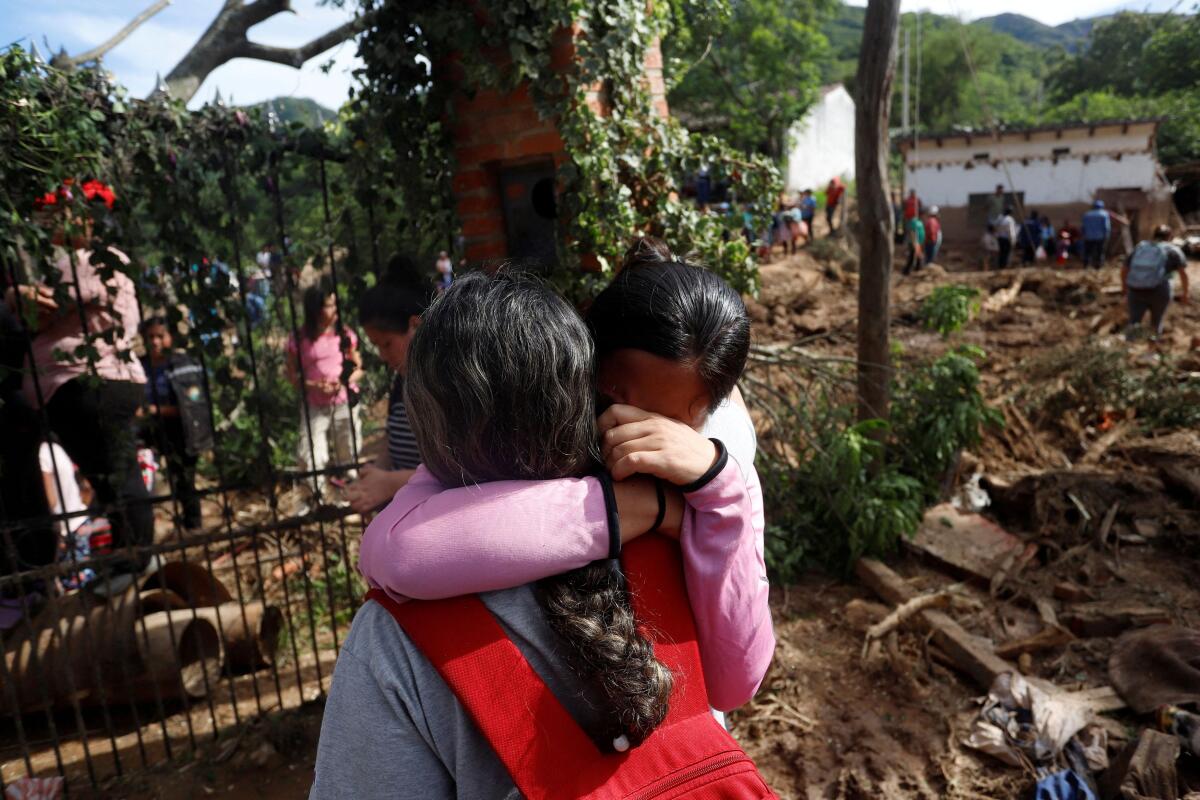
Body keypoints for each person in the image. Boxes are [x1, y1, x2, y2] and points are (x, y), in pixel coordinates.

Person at [314, 271, 772, 798]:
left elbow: (394, 552)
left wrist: (713, 487)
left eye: (665, 420)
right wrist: (653, 506)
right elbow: (737, 684)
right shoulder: (685, 523)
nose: (638, 429)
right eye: (615, 396)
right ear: (581, 375)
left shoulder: (394, 640)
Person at [1, 179, 152, 582]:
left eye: (54, 215)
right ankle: (128, 554)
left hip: (91, 381)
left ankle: (134, 555)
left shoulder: (87, 259)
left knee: (117, 475)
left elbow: (47, 310)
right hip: (97, 380)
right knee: (110, 476)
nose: (47, 224)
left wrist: (17, 297)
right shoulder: (93, 262)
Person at [342, 257, 431, 513]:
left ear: (415, 326)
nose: (382, 355)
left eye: (387, 344)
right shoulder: (402, 380)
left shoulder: (446, 387)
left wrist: (391, 483)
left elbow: (458, 472)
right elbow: (392, 436)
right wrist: (377, 472)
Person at [286, 279, 363, 499]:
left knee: (348, 453)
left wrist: (343, 381)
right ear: (316, 309)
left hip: (343, 403)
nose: (335, 309)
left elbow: (358, 368)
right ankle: (317, 499)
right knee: (311, 454)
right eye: (330, 305)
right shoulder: (298, 339)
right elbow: (293, 376)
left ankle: (346, 501)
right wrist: (314, 385)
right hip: (314, 405)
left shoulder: (345, 334)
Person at [139, 317, 213, 531]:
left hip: (181, 431)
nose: (155, 342)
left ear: (170, 337)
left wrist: (155, 410)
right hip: (147, 431)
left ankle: (193, 524)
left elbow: (193, 404)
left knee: (183, 479)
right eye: (150, 337)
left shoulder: (184, 365)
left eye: (160, 336)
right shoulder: (139, 365)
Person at [1122, 224, 1190, 341]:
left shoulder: (1140, 247)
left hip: (1135, 290)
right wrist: (1185, 293)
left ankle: (1127, 349)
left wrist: (1125, 287)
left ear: (1154, 235)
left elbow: (1124, 269)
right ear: (1169, 236)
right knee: (1156, 321)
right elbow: (1183, 274)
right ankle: (1152, 350)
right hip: (1160, 290)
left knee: (1134, 321)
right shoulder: (1173, 250)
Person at [1081, 200, 1111, 269]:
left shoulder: (1087, 214)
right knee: (1100, 252)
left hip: (1088, 237)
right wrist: (1107, 236)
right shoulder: (1104, 214)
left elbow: (1083, 227)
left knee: (1088, 252)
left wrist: (1084, 235)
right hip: (1100, 237)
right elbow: (1106, 227)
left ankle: (1086, 266)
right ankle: (1098, 267)